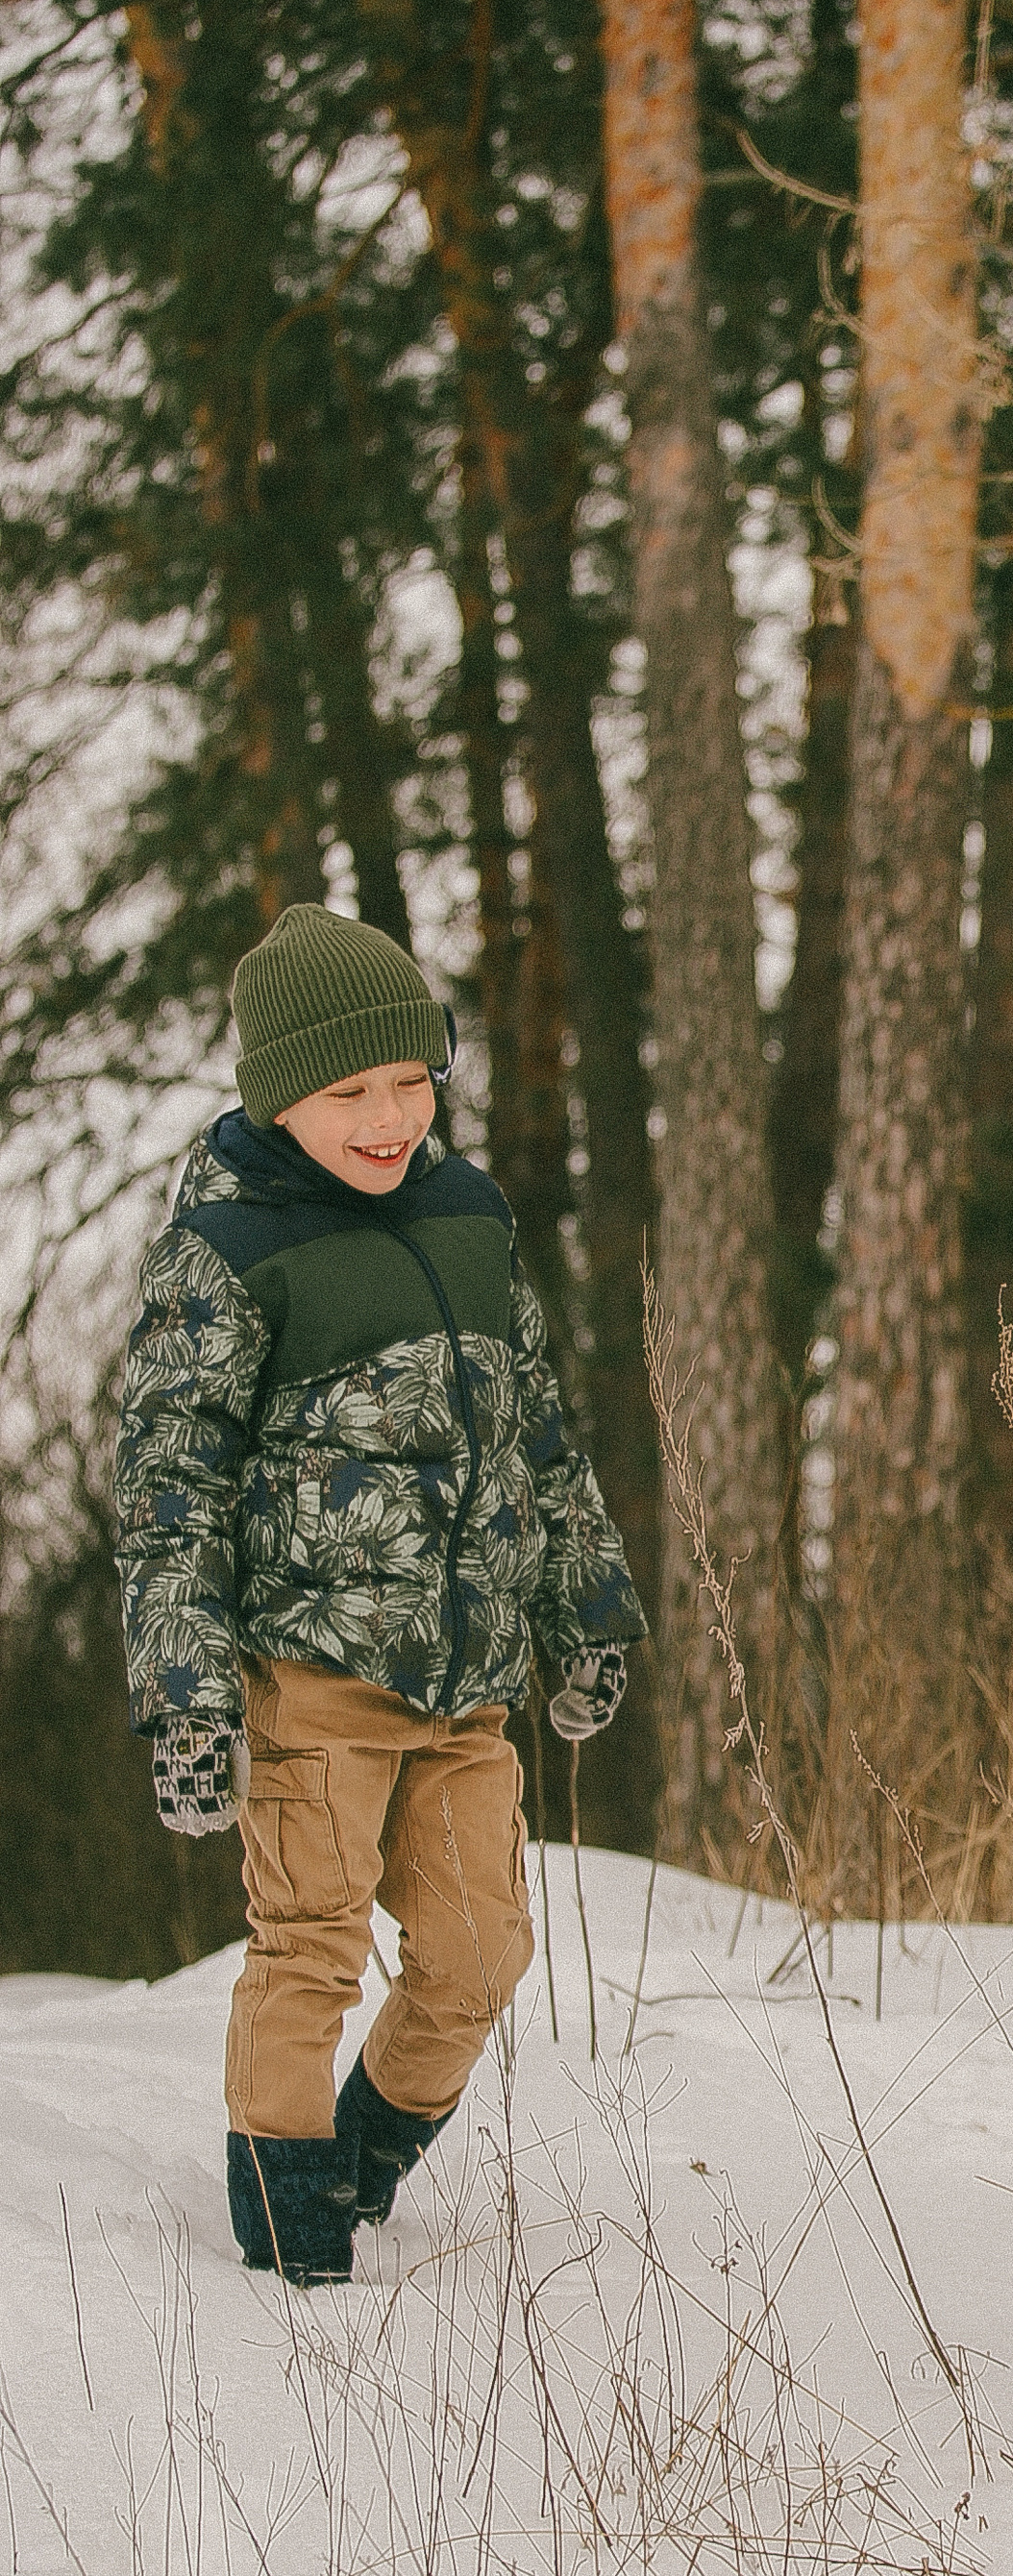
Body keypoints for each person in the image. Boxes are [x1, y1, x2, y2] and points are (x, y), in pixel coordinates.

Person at [114, 905, 648, 2286]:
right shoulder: (228, 1254)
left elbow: (534, 1425)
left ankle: (361, 2152)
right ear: (279, 1097)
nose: (388, 1115)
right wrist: (187, 1701)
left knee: (479, 1955)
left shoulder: (469, 1218)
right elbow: (168, 1487)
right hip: (314, 1685)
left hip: (464, 1690)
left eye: (412, 1080)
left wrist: (584, 1607)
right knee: (311, 1946)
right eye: (350, 1090)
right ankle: (291, 2231)